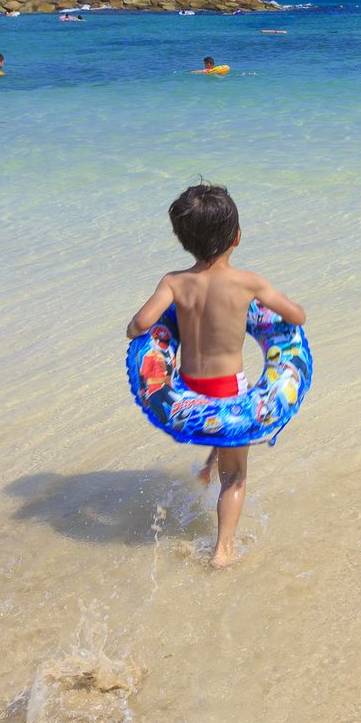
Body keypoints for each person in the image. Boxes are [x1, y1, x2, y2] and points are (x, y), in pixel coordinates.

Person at [124, 184, 307, 568]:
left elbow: (140, 325)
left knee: (217, 423)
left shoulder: (173, 282)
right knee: (236, 475)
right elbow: (296, 316)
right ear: (237, 237)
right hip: (229, 391)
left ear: (183, 240)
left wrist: (141, 330)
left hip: (188, 388)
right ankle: (223, 550)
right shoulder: (249, 283)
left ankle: (207, 467)